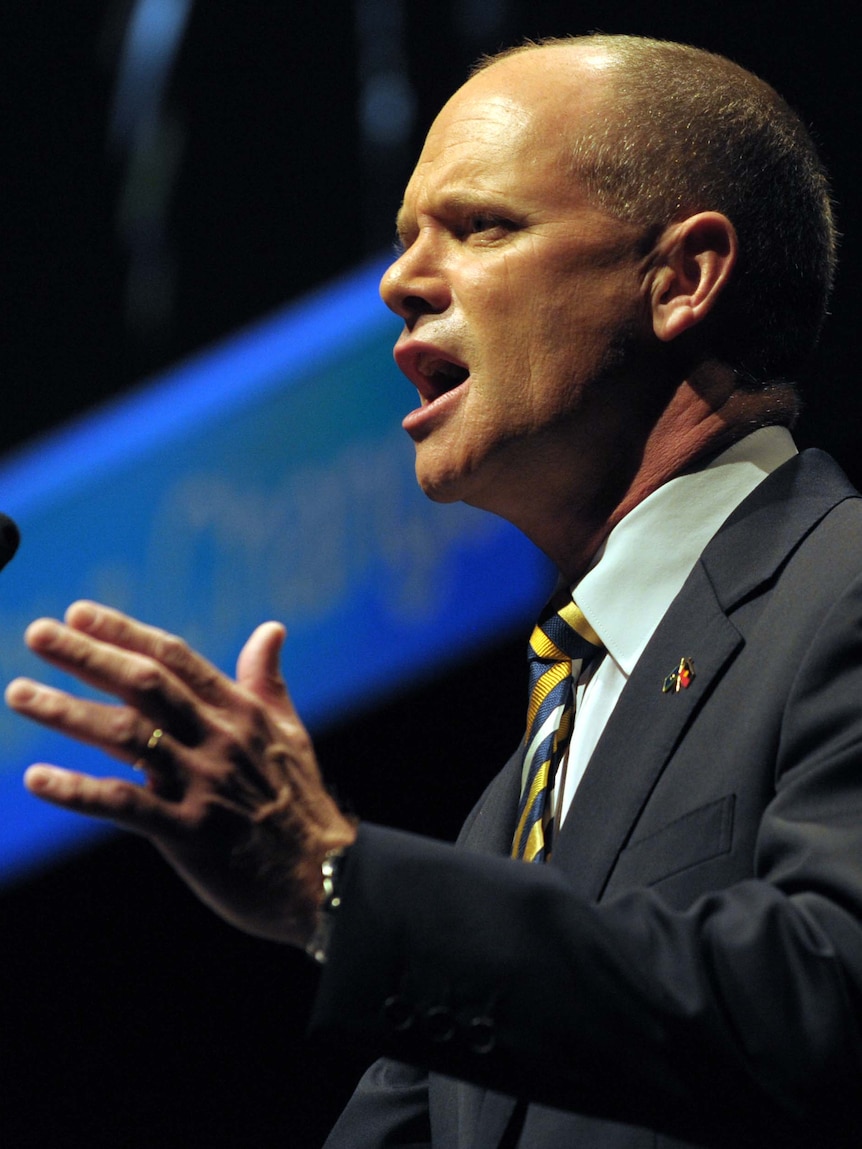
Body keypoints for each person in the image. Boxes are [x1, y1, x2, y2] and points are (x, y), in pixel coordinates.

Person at [6, 32, 862, 1149]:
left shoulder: (836, 590)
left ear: (682, 280)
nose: (399, 281)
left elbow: (821, 1003)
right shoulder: (516, 795)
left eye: (480, 227)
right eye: (409, 237)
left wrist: (335, 879)